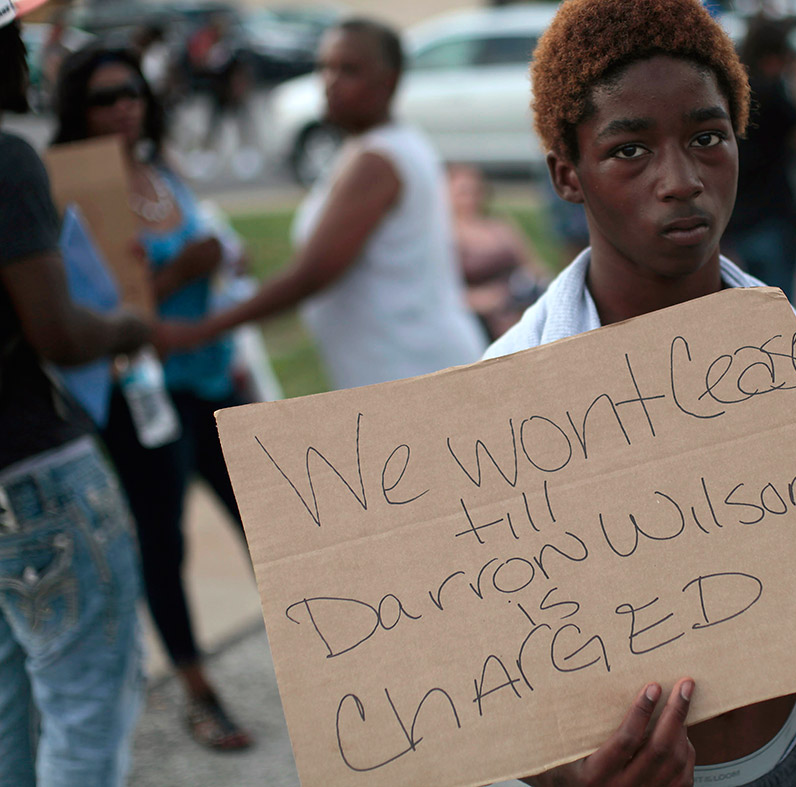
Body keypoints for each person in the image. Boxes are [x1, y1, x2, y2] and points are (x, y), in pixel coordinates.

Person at [485, 0, 796, 784]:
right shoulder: (505, 413)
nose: (681, 180)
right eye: (629, 150)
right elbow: (507, 690)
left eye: (707, 138)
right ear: (566, 175)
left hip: (793, 758)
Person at [53, 46, 255, 751]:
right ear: (77, 108)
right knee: (163, 543)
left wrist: (221, 263)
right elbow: (87, 311)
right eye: (106, 97)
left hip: (211, 377)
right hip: (142, 394)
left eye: (133, 92)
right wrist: (180, 275)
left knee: (267, 522)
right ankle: (197, 690)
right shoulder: (73, 188)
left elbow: (211, 258)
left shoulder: (162, 172)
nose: (124, 106)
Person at [157, 18, 487, 389]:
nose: (330, 81)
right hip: (400, 360)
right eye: (325, 67)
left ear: (389, 81)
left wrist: (201, 331)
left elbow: (310, 276)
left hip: (410, 367)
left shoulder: (378, 161)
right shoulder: (376, 145)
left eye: (349, 70)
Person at [0, 7, 151, 784]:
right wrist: (125, 324)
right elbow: (57, 331)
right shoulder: (8, 160)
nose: (26, 53)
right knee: (86, 712)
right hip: (37, 479)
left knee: (9, 711)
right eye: (12, 36)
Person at [723, 16, 796, 302]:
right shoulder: (773, 94)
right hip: (773, 216)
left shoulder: (730, 95)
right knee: (784, 309)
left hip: (737, 219)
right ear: (774, 57)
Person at [449, 164, 549, 341]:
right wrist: (479, 300)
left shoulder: (500, 225)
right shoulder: (444, 235)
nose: (470, 198)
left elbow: (533, 265)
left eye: (475, 191)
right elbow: (438, 290)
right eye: (463, 192)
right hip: (478, 314)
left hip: (517, 302)